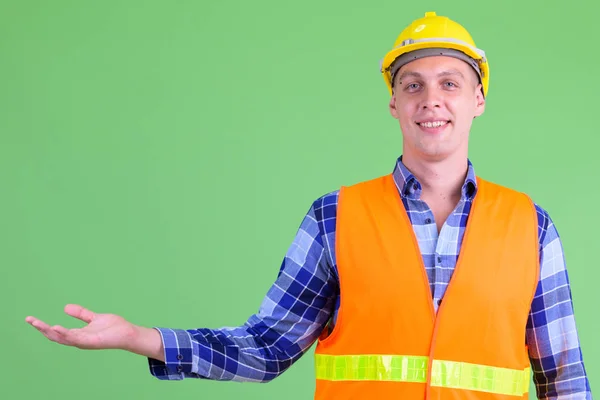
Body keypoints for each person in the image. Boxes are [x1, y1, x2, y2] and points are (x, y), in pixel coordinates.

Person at [25, 11, 592, 399]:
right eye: (412, 85)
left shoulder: (530, 227)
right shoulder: (334, 218)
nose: (431, 99)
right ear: (393, 103)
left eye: (450, 82)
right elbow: (266, 347)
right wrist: (139, 337)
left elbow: (564, 380)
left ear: (479, 100)